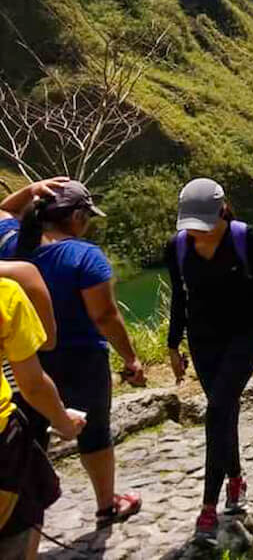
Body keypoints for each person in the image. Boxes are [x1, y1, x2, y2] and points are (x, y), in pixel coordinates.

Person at [0, 180, 144, 526]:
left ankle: (19, 512)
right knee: (94, 432)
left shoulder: (6, 240)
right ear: (77, 216)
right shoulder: (84, 256)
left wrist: (32, 189)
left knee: (28, 432)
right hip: (81, 360)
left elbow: (4, 210)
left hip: (24, 360)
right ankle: (107, 504)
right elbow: (105, 316)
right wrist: (131, 358)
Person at [164, 178, 253, 539]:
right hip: (204, 340)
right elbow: (179, 300)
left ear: (222, 209)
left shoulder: (245, 238)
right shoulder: (177, 247)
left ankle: (208, 506)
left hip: (246, 336)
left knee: (217, 409)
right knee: (224, 409)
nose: (197, 233)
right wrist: (173, 346)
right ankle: (235, 478)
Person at [0, 276, 86, 560]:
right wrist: (63, 423)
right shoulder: (6, 294)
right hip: (4, 449)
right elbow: (33, 384)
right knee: (20, 526)